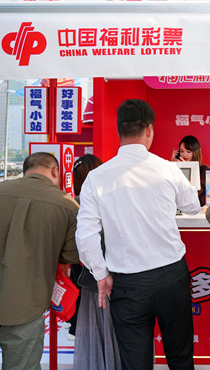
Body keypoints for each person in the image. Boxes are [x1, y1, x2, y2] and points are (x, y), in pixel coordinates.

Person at [76, 99, 200, 370]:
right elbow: (192, 206)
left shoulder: (97, 177)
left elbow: (85, 236)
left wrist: (101, 274)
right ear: (149, 130)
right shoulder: (168, 168)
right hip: (171, 276)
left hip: (127, 283)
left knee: (135, 364)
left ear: (119, 130)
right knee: (180, 358)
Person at [0, 152, 79, 369]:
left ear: (25, 169)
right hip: (27, 304)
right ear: (55, 171)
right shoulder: (67, 205)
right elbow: (72, 255)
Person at [71, 154, 121, 370]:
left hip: (94, 282)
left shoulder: (77, 204)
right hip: (122, 277)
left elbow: (80, 245)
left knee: (95, 335)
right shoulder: (117, 199)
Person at [172, 135, 210, 206]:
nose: (184, 155)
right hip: (179, 209)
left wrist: (187, 168)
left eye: (188, 152)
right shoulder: (175, 169)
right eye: (182, 151)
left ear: (195, 153)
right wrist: (172, 164)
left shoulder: (204, 170)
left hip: (199, 210)